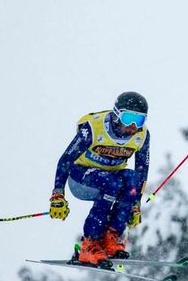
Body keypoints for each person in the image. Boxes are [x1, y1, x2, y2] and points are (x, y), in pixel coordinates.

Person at [48, 91, 150, 268]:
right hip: (81, 179)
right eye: (128, 118)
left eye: (139, 120)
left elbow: (142, 170)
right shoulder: (94, 128)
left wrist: (135, 204)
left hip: (112, 180)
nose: (133, 126)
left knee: (132, 179)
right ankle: (90, 243)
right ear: (117, 114)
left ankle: (112, 237)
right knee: (111, 182)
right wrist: (58, 194)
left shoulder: (142, 136)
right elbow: (66, 160)